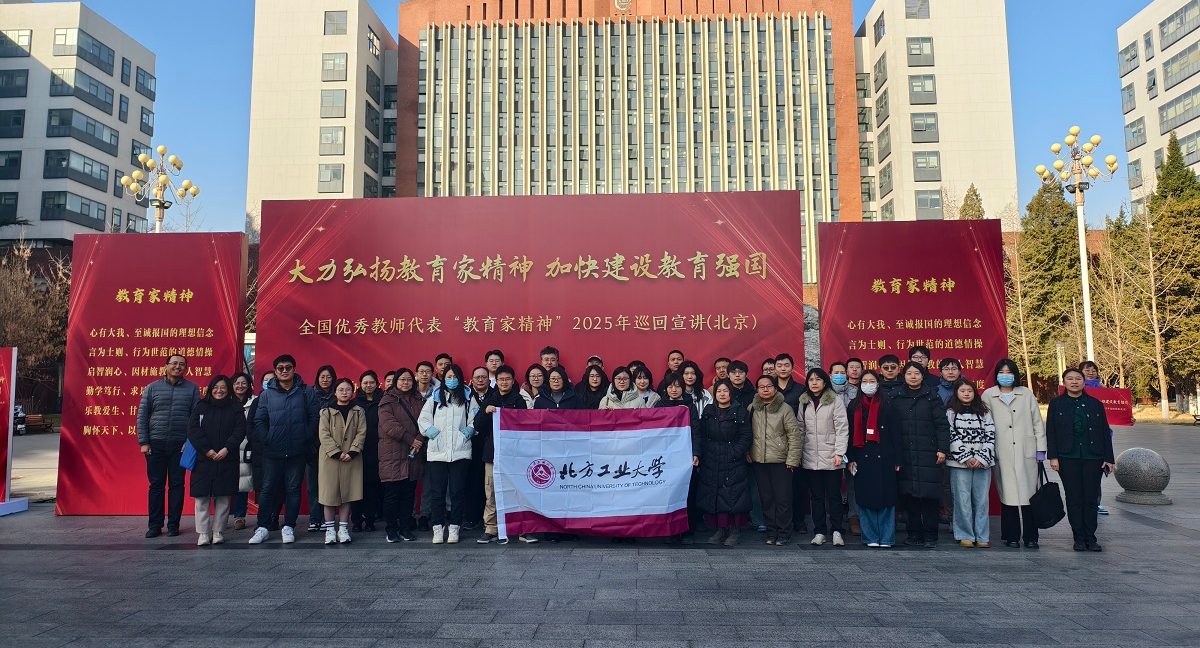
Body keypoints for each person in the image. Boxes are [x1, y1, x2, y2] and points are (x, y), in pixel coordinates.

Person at [250, 355, 320, 545]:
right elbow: (259, 420)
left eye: (288, 367)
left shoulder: (306, 391)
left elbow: (315, 417)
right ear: (275, 371)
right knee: (267, 489)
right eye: (280, 368)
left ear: (294, 369)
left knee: (293, 490)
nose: (284, 371)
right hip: (273, 450)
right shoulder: (266, 395)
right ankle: (263, 527)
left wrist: (306, 436)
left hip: (297, 450)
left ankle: (289, 526)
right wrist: (267, 439)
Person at [1047, 368, 1116, 552]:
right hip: (1067, 457)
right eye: (1070, 379)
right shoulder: (1056, 404)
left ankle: (1090, 537)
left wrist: (1109, 458)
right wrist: (1053, 456)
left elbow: (1104, 432)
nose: (1074, 382)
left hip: (1093, 457)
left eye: (1078, 378)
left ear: (1084, 382)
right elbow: (1051, 432)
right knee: (1074, 498)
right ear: (1064, 382)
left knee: (1090, 499)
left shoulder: (1095, 404)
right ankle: (1078, 537)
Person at [980, 360, 1047, 549]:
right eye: (1001, 372)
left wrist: (1040, 450)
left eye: (1009, 372)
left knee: (1029, 495)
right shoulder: (989, 395)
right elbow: (984, 424)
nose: (1005, 376)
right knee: (1007, 496)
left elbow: (1037, 422)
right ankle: (1011, 536)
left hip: (1027, 451)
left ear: (1015, 374)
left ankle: (1031, 537)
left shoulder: (1026, 393)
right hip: (1002, 451)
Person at [136, 353, 201, 538]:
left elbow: (196, 417)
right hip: (155, 443)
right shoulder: (152, 388)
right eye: (174, 363)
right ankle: (155, 525)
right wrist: (144, 441)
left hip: (180, 444)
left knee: (177, 485)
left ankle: (173, 525)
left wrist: (189, 442)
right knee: (156, 485)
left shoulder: (192, 388)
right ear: (166, 366)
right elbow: (142, 415)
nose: (177, 367)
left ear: (186, 368)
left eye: (182, 364)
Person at [889, 361, 951, 549]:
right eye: (909, 373)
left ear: (923, 376)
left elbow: (942, 425)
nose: (913, 377)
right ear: (904, 376)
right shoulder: (895, 397)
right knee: (910, 496)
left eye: (917, 373)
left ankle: (931, 534)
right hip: (905, 454)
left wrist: (942, 448)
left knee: (930, 496)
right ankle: (914, 533)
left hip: (929, 454)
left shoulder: (932, 396)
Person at [187, 375, 247, 546]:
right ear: (210, 389)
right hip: (203, 458)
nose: (219, 391)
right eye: (216, 387)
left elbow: (239, 431)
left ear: (228, 390)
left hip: (227, 458)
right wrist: (207, 450)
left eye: (223, 387)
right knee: (201, 497)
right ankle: (203, 533)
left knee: (223, 497)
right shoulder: (201, 407)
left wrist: (226, 449)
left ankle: (218, 531)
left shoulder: (236, 408)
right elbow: (193, 430)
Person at [418, 364, 473, 545]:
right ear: (443, 378)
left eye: (455, 376)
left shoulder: (467, 396)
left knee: (457, 492)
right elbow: (423, 419)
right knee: (437, 493)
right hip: (438, 452)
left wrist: (468, 432)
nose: (452, 379)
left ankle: (455, 527)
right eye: (449, 376)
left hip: (460, 452)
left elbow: (475, 418)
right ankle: (438, 528)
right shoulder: (435, 397)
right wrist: (432, 432)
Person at [694, 379, 753, 546]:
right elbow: (702, 434)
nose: (722, 394)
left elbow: (746, 437)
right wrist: (706, 451)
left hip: (733, 459)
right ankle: (720, 529)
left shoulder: (740, 412)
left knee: (733, 495)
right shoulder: (708, 411)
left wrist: (734, 452)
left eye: (725, 391)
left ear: (730, 393)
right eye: (719, 391)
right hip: (712, 458)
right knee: (715, 494)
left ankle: (734, 530)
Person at [474, 364, 529, 544]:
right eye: (501, 379)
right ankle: (491, 529)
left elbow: (525, 426)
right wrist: (486, 412)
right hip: (493, 454)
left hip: (515, 455)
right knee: (491, 492)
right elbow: (477, 425)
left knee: (518, 491)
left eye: (507, 379)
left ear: (513, 381)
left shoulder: (519, 401)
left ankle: (521, 529)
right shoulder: (490, 400)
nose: (504, 382)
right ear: (496, 382)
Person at [846, 371, 901, 548]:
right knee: (866, 498)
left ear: (878, 384)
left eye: (872, 381)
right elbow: (849, 435)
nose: (868, 384)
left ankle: (886, 538)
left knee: (887, 498)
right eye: (865, 381)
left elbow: (896, 434)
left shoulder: (888, 404)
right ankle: (870, 537)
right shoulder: (853, 406)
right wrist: (850, 458)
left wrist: (898, 459)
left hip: (885, 457)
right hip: (862, 458)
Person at [798, 368, 850, 547]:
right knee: (816, 497)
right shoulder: (804, 401)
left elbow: (842, 428)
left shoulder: (835, 400)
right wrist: (799, 453)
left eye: (818, 379)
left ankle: (837, 530)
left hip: (831, 456)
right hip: (810, 456)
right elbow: (800, 429)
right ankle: (820, 531)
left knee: (834, 496)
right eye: (811, 380)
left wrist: (839, 453)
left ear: (825, 382)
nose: (814, 383)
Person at [748, 375, 802, 546]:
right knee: (766, 499)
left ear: (775, 389)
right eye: (761, 387)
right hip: (759, 461)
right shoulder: (752, 408)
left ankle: (784, 533)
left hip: (781, 461)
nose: (765, 389)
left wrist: (792, 459)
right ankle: (771, 532)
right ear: (757, 390)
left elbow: (794, 435)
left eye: (769, 386)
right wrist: (748, 452)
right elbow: (747, 434)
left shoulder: (785, 408)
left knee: (783, 499)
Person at [946, 379, 996, 548]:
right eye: (962, 391)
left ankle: (982, 536)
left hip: (983, 463)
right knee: (962, 500)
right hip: (959, 463)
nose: (966, 393)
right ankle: (964, 534)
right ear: (956, 393)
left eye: (969, 390)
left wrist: (981, 458)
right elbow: (951, 436)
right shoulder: (950, 413)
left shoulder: (984, 412)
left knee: (982, 500)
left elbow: (990, 435)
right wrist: (966, 457)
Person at [377, 368, 426, 543]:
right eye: (402, 380)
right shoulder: (387, 401)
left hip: (413, 453)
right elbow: (389, 426)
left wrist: (419, 439)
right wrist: (411, 440)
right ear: (395, 381)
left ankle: (405, 528)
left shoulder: (419, 400)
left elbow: (426, 422)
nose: (406, 383)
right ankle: (391, 529)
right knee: (392, 494)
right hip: (392, 453)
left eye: (409, 380)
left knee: (408, 494)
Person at [318, 378, 366, 545]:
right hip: (330, 459)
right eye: (341, 389)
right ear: (335, 392)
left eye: (348, 389)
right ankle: (330, 530)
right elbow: (323, 434)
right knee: (329, 495)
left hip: (352, 458)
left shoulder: (359, 411)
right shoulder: (326, 412)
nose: (344, 392)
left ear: (352, 391)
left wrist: (353, 451)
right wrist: (336, 453)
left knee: (347, 494)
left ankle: (343, 529)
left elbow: (361, 432)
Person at [772, 353, 806, 535]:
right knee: (777, 488)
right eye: (779, 365)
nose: (783, 368)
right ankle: (778, 522)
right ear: (775, 368)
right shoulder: (768, 388)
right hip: (773, 445)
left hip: (795, 443)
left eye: (786, 365)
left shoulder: (801, 390)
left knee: (798, 485)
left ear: (792, 368)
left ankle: (799, 520)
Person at [247, 370, 284, 531]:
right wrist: (257, 439)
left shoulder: (283, 398)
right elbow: (250, 424)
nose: (269, 382)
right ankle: (263, 520)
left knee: (279, 486)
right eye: (266, 380)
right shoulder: (258, 400)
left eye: (271, 380)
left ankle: (274, 516)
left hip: (279, 449)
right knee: (264, 488)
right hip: (260, 450)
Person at [828, 361, 859, 536]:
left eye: (842, 372)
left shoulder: (856, 392)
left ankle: (854, 517)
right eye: (836, 372)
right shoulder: (825, 393)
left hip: (853, 443)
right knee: (833, 485)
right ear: (830, 375)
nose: (839, 375)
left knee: (853, 481)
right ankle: (835, 520)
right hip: (829, 445)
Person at [350, 371, 383, 533]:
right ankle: (356, 521)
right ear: (360, 385)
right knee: (356, 487)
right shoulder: (354, 403)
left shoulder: (383, 401)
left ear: (377, 384)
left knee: (372, 487)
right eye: (365, 383)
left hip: (377, 449)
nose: (368, 385)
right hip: (357, 450)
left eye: (371, 382)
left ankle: (370, 520)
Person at [307, 365, 337, 533]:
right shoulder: (309, 395)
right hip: (312, 446)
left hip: (332, 447)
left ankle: (327, 519)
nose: (325, 380)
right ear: (317, 378)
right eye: (322, 377)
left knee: (329, 484)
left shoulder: (337, 396)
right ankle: (314, 518)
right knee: (313, 484)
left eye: (328, 377)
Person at [464, 367, 493, 532]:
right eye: (477, 377)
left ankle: (487, 518)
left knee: (488, 482)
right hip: (471, 443)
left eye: (483, 377)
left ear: (489, 379)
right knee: (472, 480)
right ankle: (471, 517)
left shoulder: (495, 395)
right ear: (472, 379)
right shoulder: (466, 395)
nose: (480, 380)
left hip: (491, 443)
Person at [230, 372, 255, 530]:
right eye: (237, 383)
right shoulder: (226, 402)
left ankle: (239, 516)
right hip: (228, 446)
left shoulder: (255, 401)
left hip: (247, 446)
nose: (240, 386)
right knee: (224, 482)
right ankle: (221, 516)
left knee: (243, 482)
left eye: (243, 383)